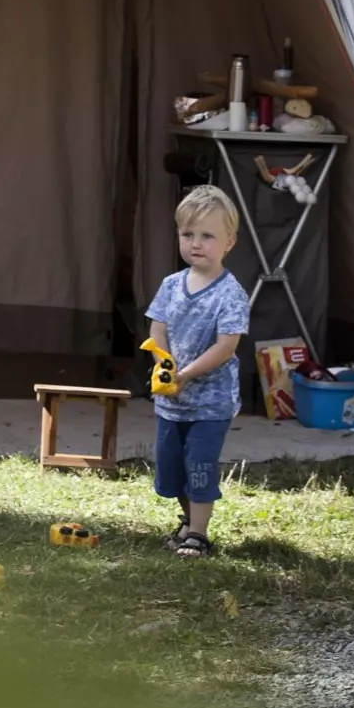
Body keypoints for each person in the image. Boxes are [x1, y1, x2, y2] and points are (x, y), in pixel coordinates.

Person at [146, 185, 251, 559]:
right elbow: (157, 329)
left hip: (211, 403)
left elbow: (226, 346)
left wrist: (186, 374)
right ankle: (189, 521)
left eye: (207, 236)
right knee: (172, 469)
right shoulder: (171, 285)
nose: (196, 243)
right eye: (188, 234)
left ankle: (199, 535)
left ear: (229, 242)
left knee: (200, 466)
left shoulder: (230, 293)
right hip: (172, 402)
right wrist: (164, 364)